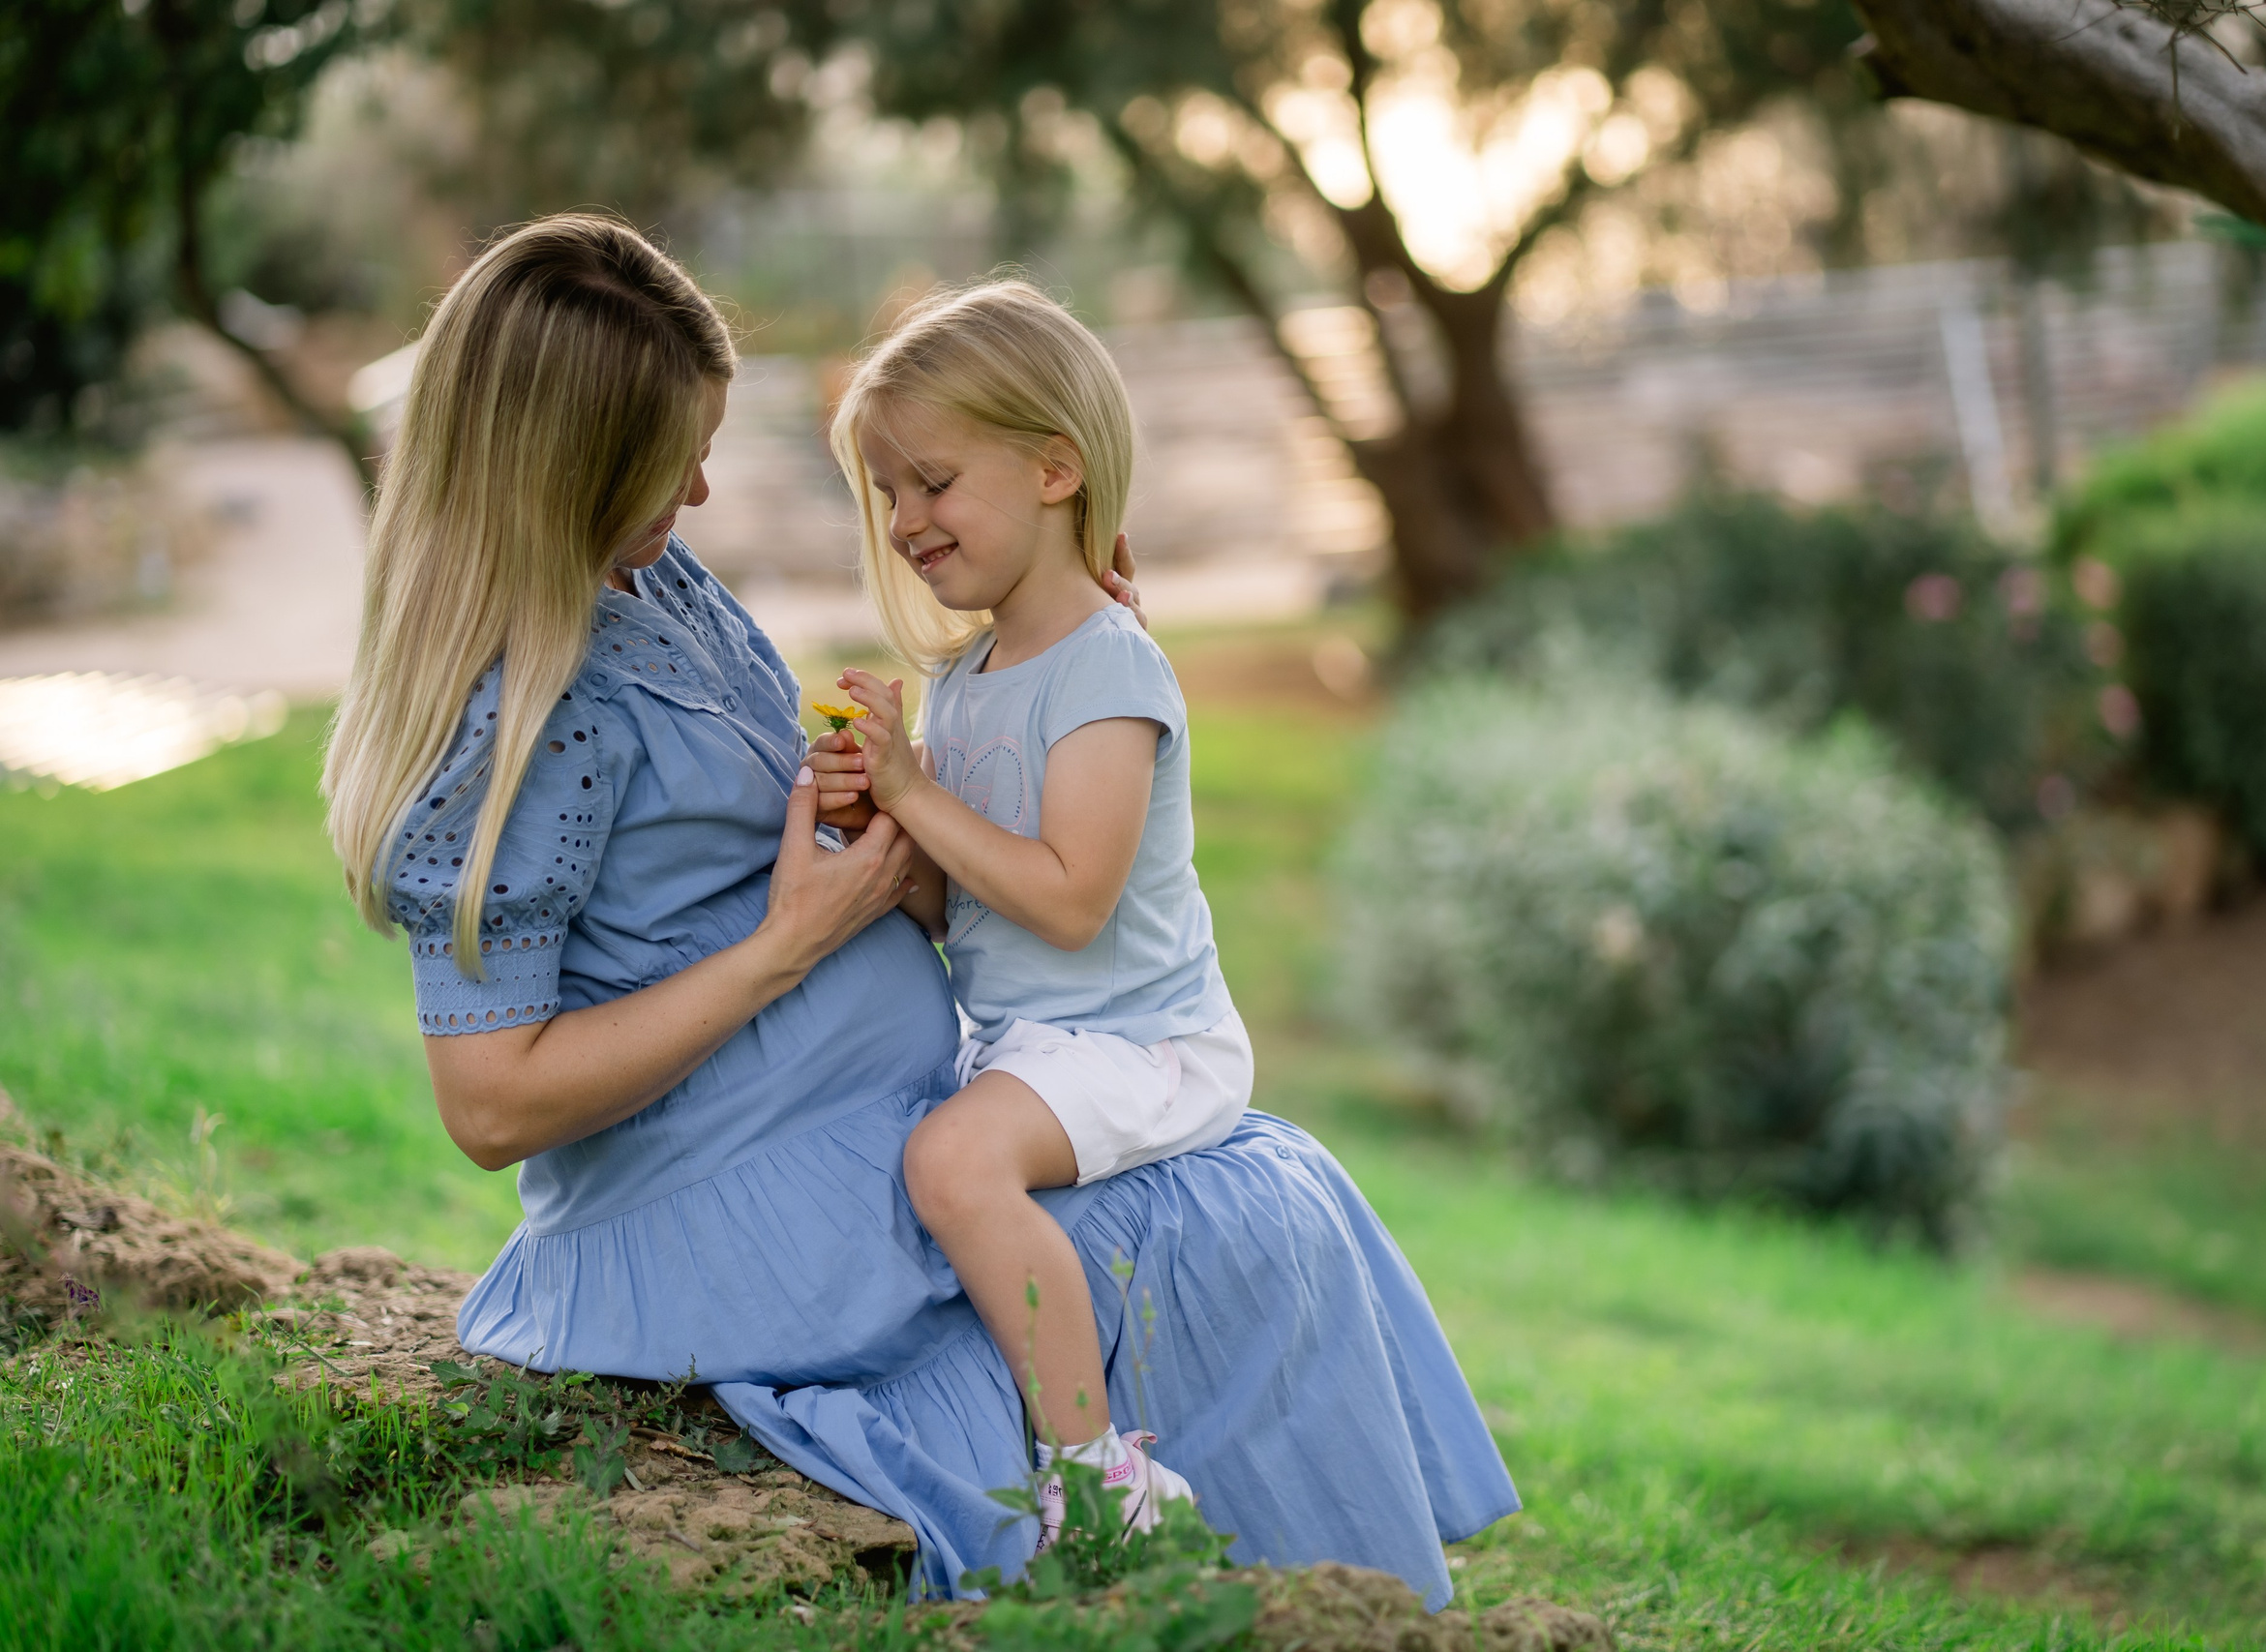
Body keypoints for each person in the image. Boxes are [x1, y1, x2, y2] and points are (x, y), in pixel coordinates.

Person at [320, 212, 1518, 1602]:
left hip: (909, 1090)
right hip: (739, 1195)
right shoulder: (516, 720)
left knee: (1273, 1185)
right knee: (1216, 1229)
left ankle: (1306, 1605)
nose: (701, 495)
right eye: (670, 464)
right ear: (565, 471)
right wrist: (791, 945)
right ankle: (1153, 1547)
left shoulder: (646, 570)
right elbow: (490, 1107)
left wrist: (1061, 660)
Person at [819, 284, 1244, 1548]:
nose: (906, 522)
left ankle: (1097, 1474)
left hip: (1140, 1040)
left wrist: (913, 789)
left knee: (950, 1161)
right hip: (1036, 1034)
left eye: (933, 482)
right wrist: (881, 830)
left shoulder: (1111, 663)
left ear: (1056, 467)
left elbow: (1067, 899)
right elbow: (973, 908)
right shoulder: (971, 674)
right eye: (887, 494)